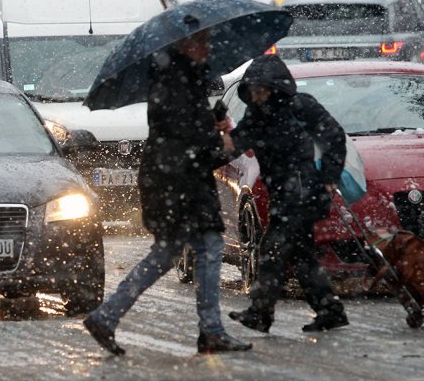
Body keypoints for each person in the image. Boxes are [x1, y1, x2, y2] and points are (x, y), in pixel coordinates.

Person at [82, 27, 253, 355]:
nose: (207, 48)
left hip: (174, 182)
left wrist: (211, 123)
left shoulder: (179, 80)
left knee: (172, 252)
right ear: (186, 45)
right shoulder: (177, 85)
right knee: (201, 248)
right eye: (202, 42)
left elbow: (187, 136)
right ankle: (210, 330)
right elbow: (191, 144)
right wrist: (225, 143)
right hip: (177, 184)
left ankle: (108, 316)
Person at [225, 54, 350, 333]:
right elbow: (232, 147)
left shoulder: (300, 107)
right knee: (302, 255)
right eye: (252, 90)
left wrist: (330, 176)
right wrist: (215, 140)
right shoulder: (256, 116)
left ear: (275, 87)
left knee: (272, 250)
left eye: (261, 89)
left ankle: (261, 313)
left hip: (303, 191)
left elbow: (334, 136)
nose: (256, 96)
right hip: (282, 193)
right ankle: (330, 310)